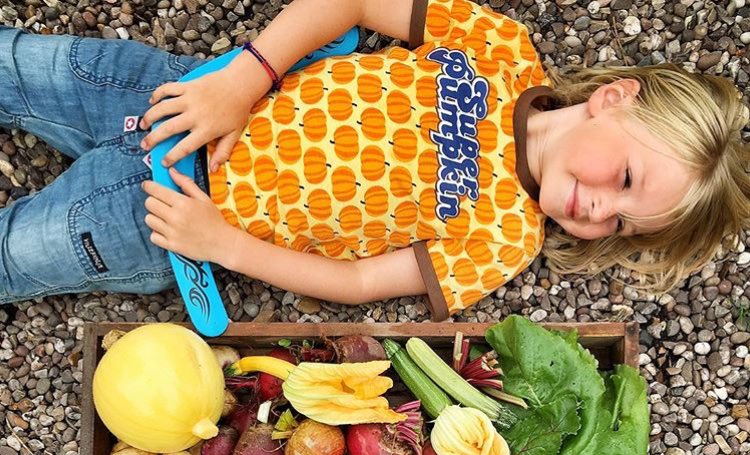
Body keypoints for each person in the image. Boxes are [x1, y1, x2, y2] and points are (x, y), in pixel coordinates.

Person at [0, 0, 747, 319]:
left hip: (167, 220)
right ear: (616, 97)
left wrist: (222, 245)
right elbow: (355, 4)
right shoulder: (502, 50)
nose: (597, 210)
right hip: (179, 93)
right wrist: (245, 76)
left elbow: (357, 282)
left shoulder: (505, 241)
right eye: (623, 181)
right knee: (21, 65)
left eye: (619, 223)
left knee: (16, 252)